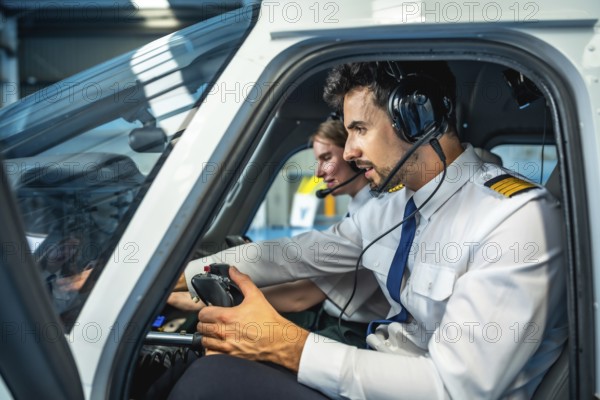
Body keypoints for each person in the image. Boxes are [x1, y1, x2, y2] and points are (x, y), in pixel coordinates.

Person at [170, 61, 567, 399]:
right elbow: (296, 255)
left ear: (417, 119)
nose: (348, 151)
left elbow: (452, 388)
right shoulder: (395, 205)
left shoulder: (513, 219)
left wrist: (290, 346)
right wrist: (182, 278)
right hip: (380, 369)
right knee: (213, 362)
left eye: (360, 129)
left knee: (210, 382)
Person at [169, 118, 389, 346]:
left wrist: (191, 293)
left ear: (352, 155)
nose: (319, 173)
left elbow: (299, 292)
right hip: (327, 315)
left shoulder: (375, 214)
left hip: (351, 332)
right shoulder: (359, 210)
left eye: (326, 158)